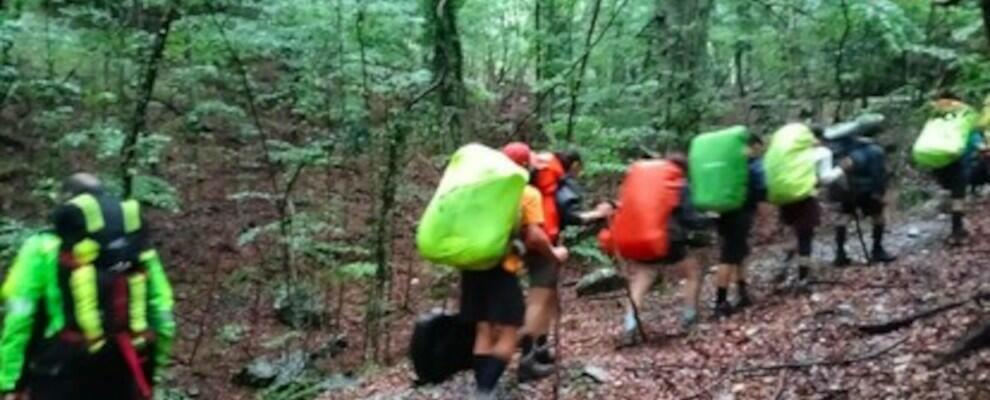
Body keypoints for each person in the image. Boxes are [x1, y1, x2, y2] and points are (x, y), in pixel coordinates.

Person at [0, 173, 176, 400]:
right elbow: (163, 314)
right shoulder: (136, 249)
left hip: (60, 368)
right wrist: (153, 367)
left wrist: (10, 382)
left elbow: (20, 318)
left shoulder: (42, 247)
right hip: (122, 365)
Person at [460, 143, 566, 398]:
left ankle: (483, 387)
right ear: (525, 167)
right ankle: (484, 392)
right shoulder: (527, 193)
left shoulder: (478, 190)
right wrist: (556, 254)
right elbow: (534, 237)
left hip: (471, 264)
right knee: (509, 331)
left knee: (484, 329)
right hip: (502, 269)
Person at [518, 150, 610, 380]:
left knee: (546, 298)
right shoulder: (553, 177)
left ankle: (540, 351)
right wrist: (596, 214)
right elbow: (569, 215)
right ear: (575, 164)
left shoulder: (539, 173)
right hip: (542, 243)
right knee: (539, 300)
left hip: (529, 240)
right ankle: (527, 361)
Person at [606, 154, 707, 346]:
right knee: (692, 272)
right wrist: (707, 222)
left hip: (641, 238)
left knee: (642, 279)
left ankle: (629, 324)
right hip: (669, 239)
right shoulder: (678, 182)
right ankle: (689, 316)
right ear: (682, 169)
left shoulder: (643, 183)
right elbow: (689, 217)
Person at [775, 125, 850, 291]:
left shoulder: (791, 152)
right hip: (806, 198)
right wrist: (840, 169)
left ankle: (783, 270)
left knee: (789, 232)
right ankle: (802, 279)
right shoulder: (822, 152)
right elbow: (825, 179)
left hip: (786, 198)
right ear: (820, 138)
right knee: (805, 238)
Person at [825, 116, 897, 266]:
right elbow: (878, 174)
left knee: (844, 217)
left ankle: (840, 253)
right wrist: (879, 193)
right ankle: (877, 250)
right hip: (867, 190)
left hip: (847, 187)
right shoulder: (875, 151)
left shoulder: (847, 144)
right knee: (878, 217)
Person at [713, 135, 766, 317]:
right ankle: (720, 302)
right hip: (741, 213)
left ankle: (742, 292)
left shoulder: (727, 163)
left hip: (724, 213)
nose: (758, 152)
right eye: (757, 148)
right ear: (751, 146)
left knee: (739, 252)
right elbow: (761, 188)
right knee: (728, 256)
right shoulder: (749, 165)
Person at [928, 94, 987, 245]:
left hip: (938, 164)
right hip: (958, 163)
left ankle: (955, 228)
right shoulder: (965, 124)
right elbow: (980, 147)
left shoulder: (937, 121)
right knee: (958, 198)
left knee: (952, 194)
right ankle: (956, 231)